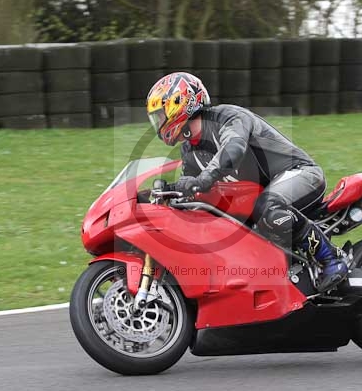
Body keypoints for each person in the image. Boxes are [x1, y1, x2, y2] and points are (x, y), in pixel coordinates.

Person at [146, 71, 349, 292]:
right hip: (260, 194)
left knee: (268, 207)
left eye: (159, 115)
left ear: (179, 103)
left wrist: (203, 179)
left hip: (300, 173)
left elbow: (233, 149)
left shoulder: (228, 117)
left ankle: (331, 258)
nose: (158, 124)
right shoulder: (189, 150)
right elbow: (197, 193)